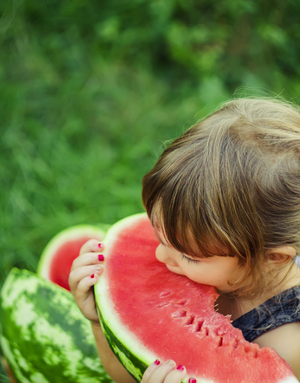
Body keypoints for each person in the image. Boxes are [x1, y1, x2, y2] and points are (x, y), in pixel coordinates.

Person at [69, 98, 300, 383]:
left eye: (189, 256)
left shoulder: (288, 347)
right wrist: (100, 321)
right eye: (159, 235)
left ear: (272, 257)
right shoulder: (213, 247)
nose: (160, 256)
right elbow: (127, 373)